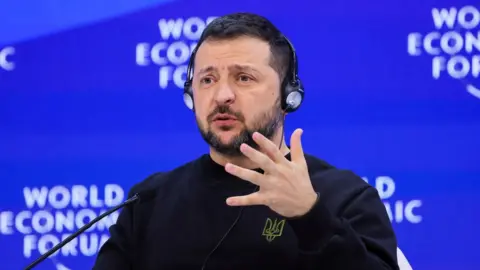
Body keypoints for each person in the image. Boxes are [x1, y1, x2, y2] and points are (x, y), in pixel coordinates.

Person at [93, 12, 399, 270]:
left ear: (288, 96)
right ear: (190, 95)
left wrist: (310, 217)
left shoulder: (345, 197)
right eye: (208, 80)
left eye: (244, 78)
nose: (222, 95)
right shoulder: (148, 202)